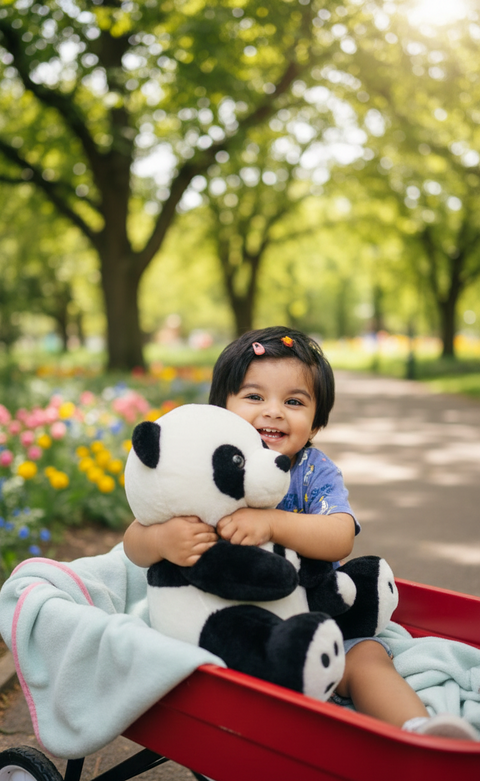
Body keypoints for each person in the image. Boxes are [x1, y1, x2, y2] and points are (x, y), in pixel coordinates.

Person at [124, 325, 478, 741]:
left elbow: (339, 536)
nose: (273, 411)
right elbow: (136, 538)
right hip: (230, 619)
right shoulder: (206, 462)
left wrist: (274, 523)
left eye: (293, 401)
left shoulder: (312, 472)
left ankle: (418, 731)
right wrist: (160, 540)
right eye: (254, 396)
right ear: (220, 408)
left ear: (314, 422)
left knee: (366, 657)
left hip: (314, 614)